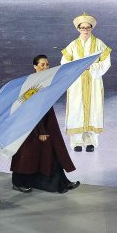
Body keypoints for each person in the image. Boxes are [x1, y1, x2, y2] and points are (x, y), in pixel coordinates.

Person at [11, 55, 80, 193]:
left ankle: (62, 182)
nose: (45, 67)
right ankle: (19, 183)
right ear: (35, 66)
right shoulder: (31, 84)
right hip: (32, 126)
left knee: (51, 152)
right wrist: (41, 130)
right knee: (27, 155)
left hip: (46, 121)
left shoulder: (45, 81)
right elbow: (31, 108)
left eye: (47, 64)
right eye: (42, 64)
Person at [61, 13, 111, 152]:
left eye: (88, 27)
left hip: (94, 81)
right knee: (76, 109)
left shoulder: (99, 43)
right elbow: (65, 63)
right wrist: (77, 68)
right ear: (78, 29)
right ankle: (76, 142)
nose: (85, 30)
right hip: (77, 82)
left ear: (91, 28)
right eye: (82, 28)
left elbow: (106, 62)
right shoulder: (73, 45)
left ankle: (90, 142)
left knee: (94, 108)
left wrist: (92, 67)